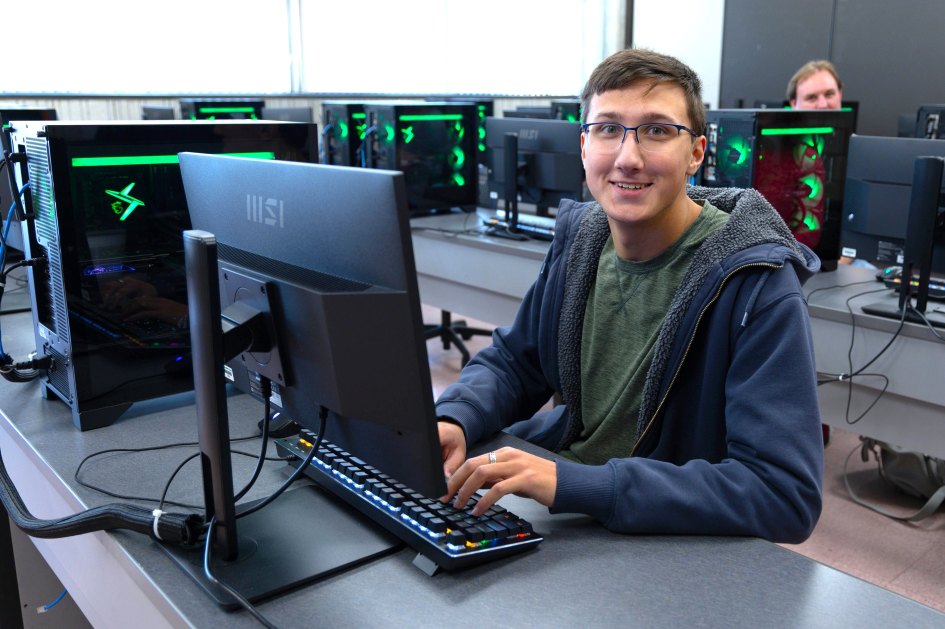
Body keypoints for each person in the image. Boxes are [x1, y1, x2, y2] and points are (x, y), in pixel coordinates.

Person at [435, 48, 824, 543]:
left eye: (658, 130)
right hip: (569, 513)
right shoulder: (582, 241)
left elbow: (782, 493)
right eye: (608, 128)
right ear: (583, 146)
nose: (627, 157)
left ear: (697, 153)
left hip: (659, 532)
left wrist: (579, 484)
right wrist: (457, 417)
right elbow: (516, 363)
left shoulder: (756, 283)